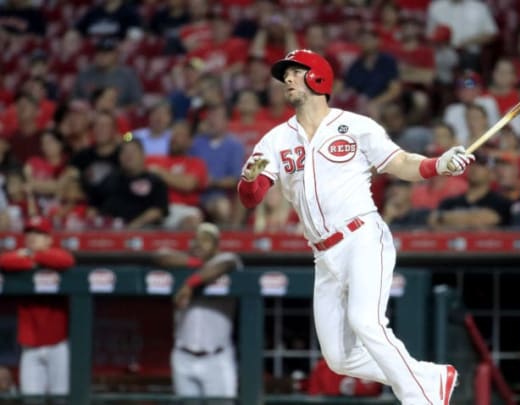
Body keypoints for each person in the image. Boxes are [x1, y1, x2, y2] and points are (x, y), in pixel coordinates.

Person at [237, 49, 472, 404]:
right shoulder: (274, 140)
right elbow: (251, 198)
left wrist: (439, 164)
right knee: (339, 358)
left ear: (318, 77)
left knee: (367, 322)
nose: (286, 79)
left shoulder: (357, 126)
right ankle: (430, 376)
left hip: (362, 235)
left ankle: (421, 398)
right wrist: (249, 179)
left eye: (295, 72)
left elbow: (401, 163)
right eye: (285, 74)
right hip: (322, 254)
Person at [154, 222, 242, 400]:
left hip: (216, 358)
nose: (199, 245)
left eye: (206, 241)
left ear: (216, 246)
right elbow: (159, 256)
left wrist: (189, 284)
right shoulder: (183, 264)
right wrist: (195, 263)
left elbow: (225, 264)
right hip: (183, 356)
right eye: (196, 240)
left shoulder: (226, 261)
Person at [0, 216, 75, 395]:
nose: (33, 237)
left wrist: (33, 256)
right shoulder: (20, 256)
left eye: (39, 233)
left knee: (60, 398)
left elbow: (66, 260)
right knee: (30, 397)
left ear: (49, 239)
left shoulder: (55, 255)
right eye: (30, 233)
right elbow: (3, 260)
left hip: (58, 344)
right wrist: (30, 258)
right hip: (30, 346)